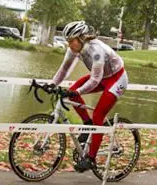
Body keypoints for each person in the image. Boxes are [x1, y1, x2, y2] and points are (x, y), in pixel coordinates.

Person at [44, 21, 128, 173]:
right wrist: (52, 84)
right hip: (102, 77)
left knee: (98, 114)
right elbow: (64, 69)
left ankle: (91, 158)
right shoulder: (73, 50)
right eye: (67, 42)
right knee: (72, 90)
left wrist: (78, 93)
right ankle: (87, 124)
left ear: (81, 38)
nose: (69, 45)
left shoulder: (96, 50)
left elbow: (95, 80)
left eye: (71, 41)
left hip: (116, 79)